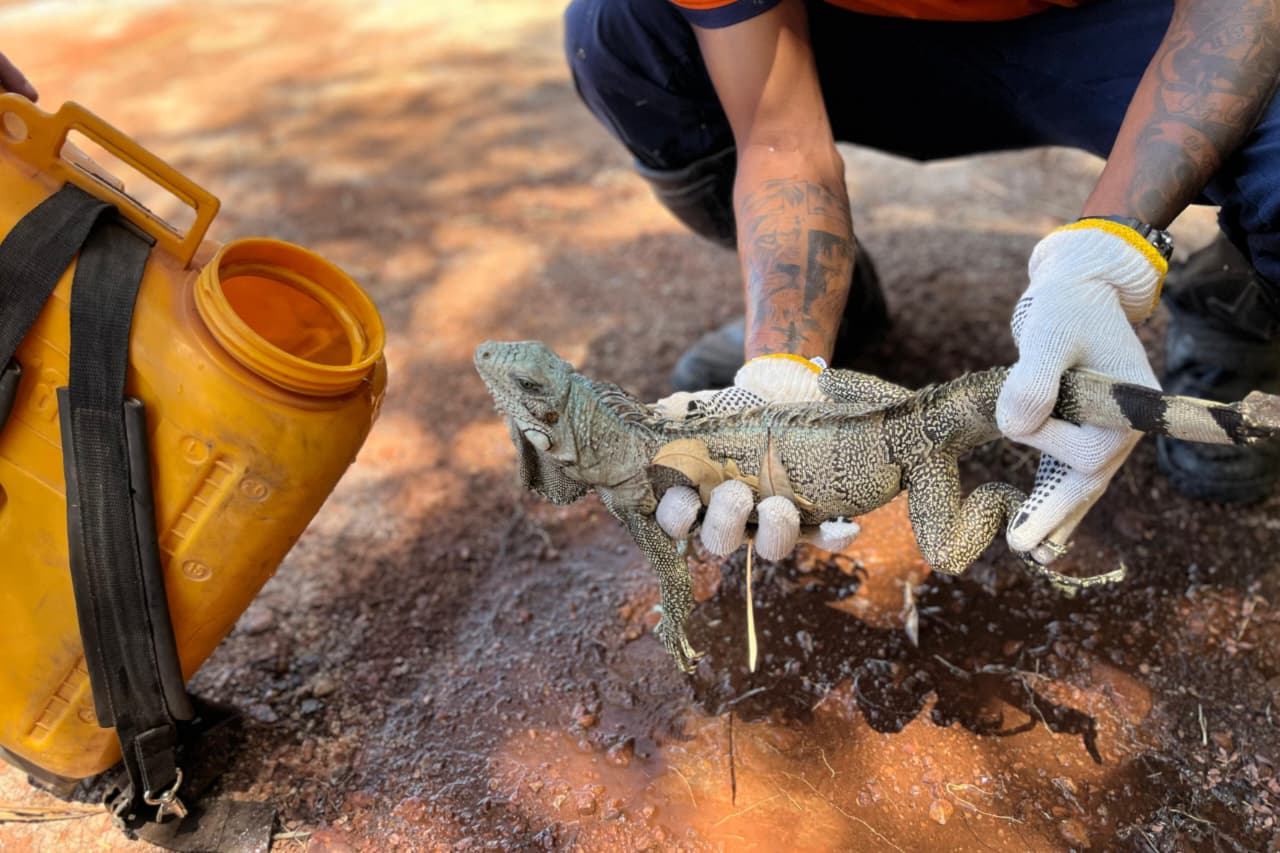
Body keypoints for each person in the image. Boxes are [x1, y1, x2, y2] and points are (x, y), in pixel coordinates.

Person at [563, 0, 1280, 565]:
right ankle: (836, 319)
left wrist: (1109, 247)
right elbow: (779, 138)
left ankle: (1234, 300)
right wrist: (781, 367)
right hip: (865, 44)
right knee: (620, 30)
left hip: (1116, 31)